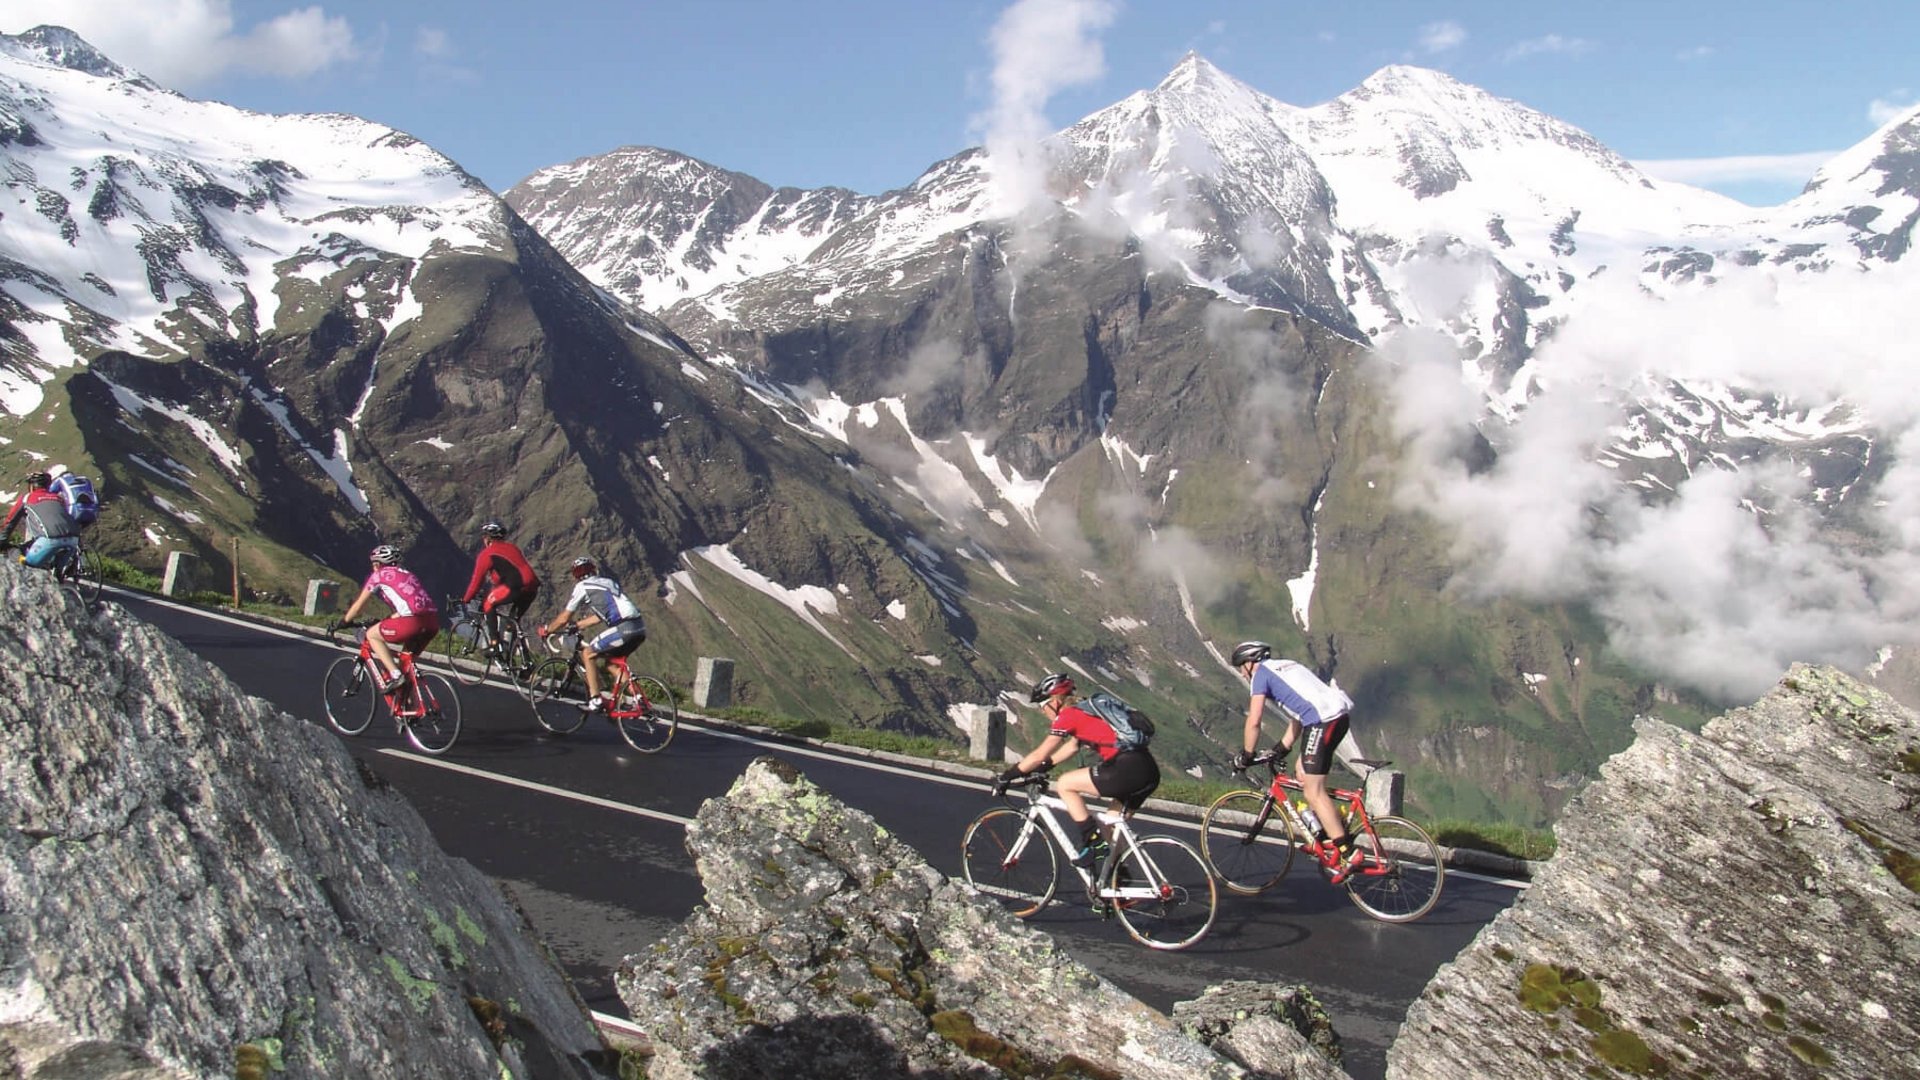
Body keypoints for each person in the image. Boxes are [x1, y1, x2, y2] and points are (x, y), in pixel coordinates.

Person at [1229, 640, 1362, 883]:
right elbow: (1299, 713)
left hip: (1322, 722)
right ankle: (1329, 832)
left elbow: (1254, 720)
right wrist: (1282, 748)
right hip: (1336, 717)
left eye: (1241, 667)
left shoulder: (1261, 676)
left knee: (1313, 791)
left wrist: (1247, 755)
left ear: (1250, 663)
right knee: (1302, 772)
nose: (1241, 673)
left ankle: (1347, 852)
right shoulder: (1287, 665)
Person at [996, 673, 1162, 867]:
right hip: (1147, 769)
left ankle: (1093, 842)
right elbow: (1071, 748)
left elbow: (1039, 754)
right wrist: (1042, 768)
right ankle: (1117, 878)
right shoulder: (1085, 710)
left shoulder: (1068, 716)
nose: (1043, 712)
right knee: (1110, 825)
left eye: (1043, 706)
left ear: (1055, 701)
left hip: (1125, 769)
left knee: (1065, 784)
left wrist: (1007, 777)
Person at [537, 556, 647, 712]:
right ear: (594, 569)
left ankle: (595, 700)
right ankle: (640, 699)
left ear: (576, 575)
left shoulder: (582, 586)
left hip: (623, 628)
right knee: (612, 664)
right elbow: (601, 616)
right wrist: (578, 625)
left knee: (588, 654)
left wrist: (548, 630)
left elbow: (564, 617)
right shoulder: (608, 582)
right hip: (639, 627)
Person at [337, 545, 441, 693]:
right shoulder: (408, 574)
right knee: (405, 665)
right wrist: (385, 621)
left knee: (371, 635)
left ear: (378, 564)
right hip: (432, 623)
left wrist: (344, 622)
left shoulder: (379, 575)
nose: (373, 567)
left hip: (411, 622)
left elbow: (359, 606)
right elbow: (406, 607)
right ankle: (407, 704)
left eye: (374, 564)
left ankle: (395, 675)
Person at [461, 520, 540, 652]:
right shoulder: (513, 548)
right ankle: (514, 655)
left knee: (488, 603)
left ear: (487, 539)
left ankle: (494, 644)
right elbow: (507, 572)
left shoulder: (487, 554)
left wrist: (466, 599)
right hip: (532, 587)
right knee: (512, 621)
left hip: (516, 585)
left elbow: (476, 582)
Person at [4, 470, 81, 570]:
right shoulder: (58, 498)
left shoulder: (27, 498)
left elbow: (10, 522)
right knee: (56, 574)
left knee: (18, 555)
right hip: (73, 540)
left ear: (32, 486)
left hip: (49, 540)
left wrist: (2, 540)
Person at [46, 464, 99, 531]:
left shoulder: (61, 480)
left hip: (74, 509)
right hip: (93, 511)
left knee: (69, 530)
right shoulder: (86, 479)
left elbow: (49, 492)